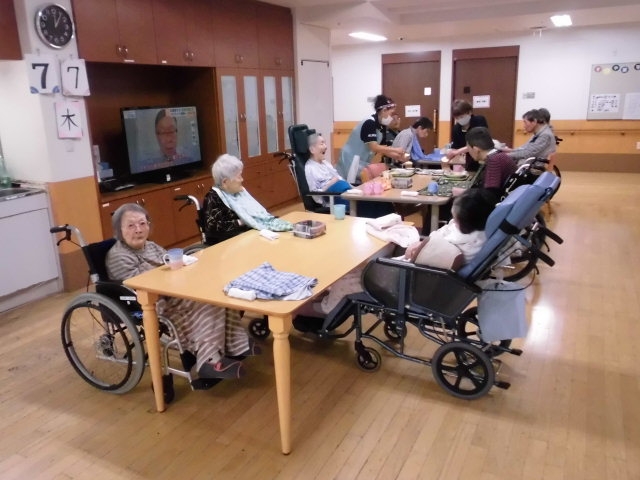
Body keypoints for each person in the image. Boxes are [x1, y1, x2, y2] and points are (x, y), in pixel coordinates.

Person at [105, 203, 259, 380]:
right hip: (155, 301)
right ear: (119, 230)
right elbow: (141, 284)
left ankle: (235, 343)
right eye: (131, 225)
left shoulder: (151, 246)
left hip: (172, 290)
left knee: (217, 293)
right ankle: (209, 359)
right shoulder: (119, 256)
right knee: (206, 304)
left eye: (142, 223)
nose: (138, 229)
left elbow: (170, 265)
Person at [296, 188, 496, 318]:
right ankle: (324, 296)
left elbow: (417, 254)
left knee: (346, 277)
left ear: (464, 221)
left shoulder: (454, 246)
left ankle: (318, 309)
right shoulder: (480, 236)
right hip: (422, 277)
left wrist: (415, 249)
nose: (452, 221)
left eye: (455, 218)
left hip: (405, 282)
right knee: (364, 263)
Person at [202, 154, 293, 245]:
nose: (242, 179)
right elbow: (213, 228)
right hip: (230, 244)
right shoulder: (213, 198)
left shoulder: (239, 192)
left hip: (251, 236)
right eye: (239, 177)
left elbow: (257, 214)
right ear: (225, 182)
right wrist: (242, 221)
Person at [335, 95, 405, 183]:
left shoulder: (381, 127)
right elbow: (374, 147)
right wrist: (396, 150)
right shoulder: (369, 123)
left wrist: (396, 156)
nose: (391, 118)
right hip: (351, 160)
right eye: (391, 114)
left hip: (361, 161)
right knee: (351, 186)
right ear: (384, 110)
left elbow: (381, 148)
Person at [465, 126, 517, 201]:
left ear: (476, 150)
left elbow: (489, 195)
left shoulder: (494, 161)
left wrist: (464, 192)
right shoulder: (499, 156)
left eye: (468, 149)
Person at [304, 132, 352, 210]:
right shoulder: (309, 168)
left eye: (325, 143)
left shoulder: (326, 163)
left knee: (364, 198)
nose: (326, 147)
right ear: (312, 149)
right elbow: (315, 194)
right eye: (322, 144)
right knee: (358, 204)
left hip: (342, 191)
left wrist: (354, 188)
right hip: (332, 196)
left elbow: (338, 177)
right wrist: (331, 183)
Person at [446, 99, 489, 171]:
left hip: (483, 159)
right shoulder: (456, 129)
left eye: (462, 117)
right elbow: (455, 146)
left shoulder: (479, 120)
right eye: (457, 118)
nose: (459, 119)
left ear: (469, 112)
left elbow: (479, 142)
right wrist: (451, 153)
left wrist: (457, 152)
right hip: (468, 162)